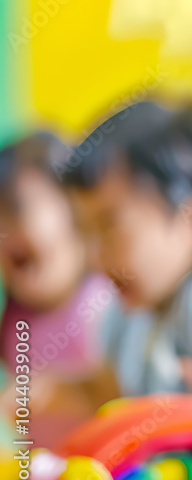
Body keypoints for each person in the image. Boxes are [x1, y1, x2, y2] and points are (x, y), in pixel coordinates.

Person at [63, 101, 192, 399]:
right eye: (85, 233)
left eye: (109, 228)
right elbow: (108, 399)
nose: (95, 258)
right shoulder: (125, 316)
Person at [0, 132, 119, 447]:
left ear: (75, 210)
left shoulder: (107, 301)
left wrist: (64, 392)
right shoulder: (13, 322)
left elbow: (124, 393)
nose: (5, 232)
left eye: (17, 209)